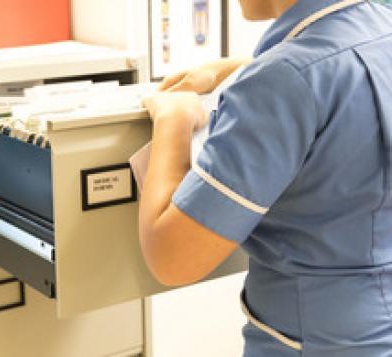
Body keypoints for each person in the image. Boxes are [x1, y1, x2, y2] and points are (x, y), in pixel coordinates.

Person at [140, 0, 392, 355]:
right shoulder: (381, 26)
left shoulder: (281, 81)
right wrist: (239, 69)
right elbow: (341, 63)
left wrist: (173, 120)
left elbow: (172, 258)